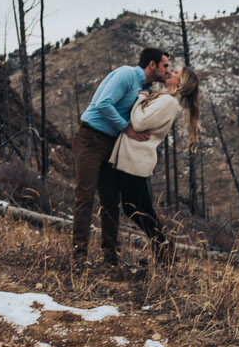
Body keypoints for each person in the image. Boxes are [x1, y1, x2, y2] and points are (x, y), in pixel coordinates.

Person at [72, 47, 170, 266]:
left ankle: (110, 256)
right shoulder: (127, 75)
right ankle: (79, 256)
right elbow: (103, 103)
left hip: (110, 144)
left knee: (110, 201)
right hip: (90, 139)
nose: (167, 70)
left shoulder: (144, 87)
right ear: (152, 65)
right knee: (85, 196)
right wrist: (126, 127)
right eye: (165, 65)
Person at [109, 66, 200, 265]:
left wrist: (141, 97)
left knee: (131, 207)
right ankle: (164, 251)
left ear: (181, 82)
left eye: (175, 72)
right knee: (144, 208)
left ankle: (163, 247)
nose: (170, 72)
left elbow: (139, 123)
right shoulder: (166, 99)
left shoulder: (168, 101)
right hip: (137, 158)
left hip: (135, 159)